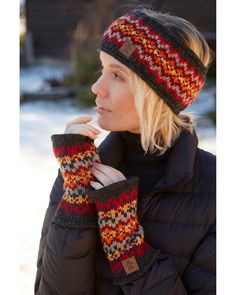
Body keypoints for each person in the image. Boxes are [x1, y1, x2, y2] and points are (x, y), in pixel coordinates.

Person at [34, 7, 216, 295]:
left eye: (117, 75)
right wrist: (78, 195)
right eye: (102, 69)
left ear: (158, 94)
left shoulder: (217, 190)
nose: (97, 87)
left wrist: (127, 247)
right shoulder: (79, 170)